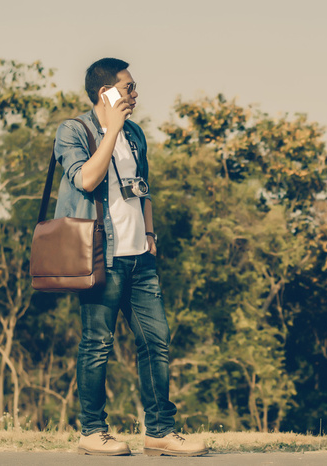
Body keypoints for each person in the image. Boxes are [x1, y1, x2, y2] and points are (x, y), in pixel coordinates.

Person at [53, 57, 207, 457]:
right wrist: (112, 130)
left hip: (140, 257)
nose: (136, 94)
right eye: (129, 87)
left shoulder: (135, 133)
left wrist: (151, 233)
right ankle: (92, 431)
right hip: (99, 257)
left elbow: (143, 188)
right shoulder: (74, 130)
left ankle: (159, 431)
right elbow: (86, 179)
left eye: (135, 88)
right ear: (105, 92)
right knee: (97, 344)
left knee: (156, 342)